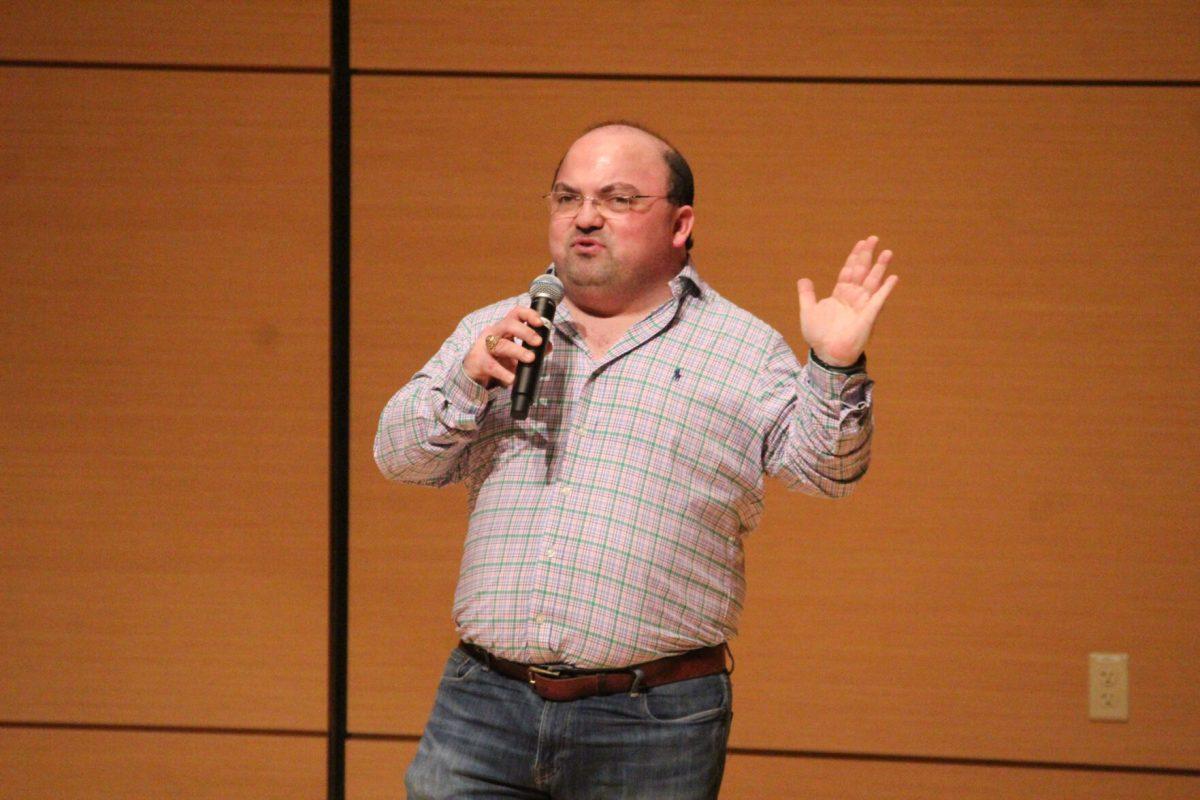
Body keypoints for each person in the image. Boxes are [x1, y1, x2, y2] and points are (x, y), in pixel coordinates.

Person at [374, 121, 899, 800]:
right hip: (485, 705)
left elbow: (830, 471)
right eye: (567, 198)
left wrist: (834, 363)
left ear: (681, 224)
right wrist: (469, 378)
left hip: (651, 720)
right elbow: (399, 456)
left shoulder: (740, 349)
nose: (585, 218)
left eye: (618, 199)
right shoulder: (500, 331)